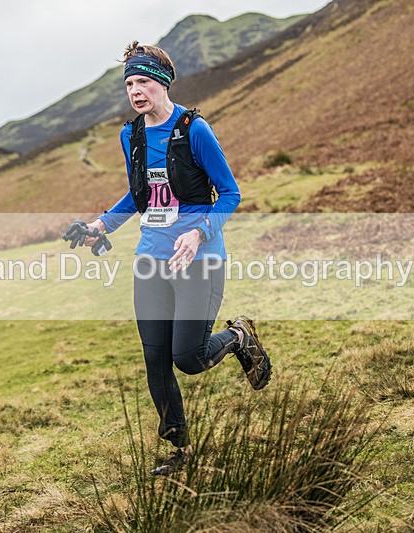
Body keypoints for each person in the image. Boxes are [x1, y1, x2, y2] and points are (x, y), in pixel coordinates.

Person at [83, 41, 272, 476]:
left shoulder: (193, 130)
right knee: (155, 361)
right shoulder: (129, 135)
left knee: (188, 358)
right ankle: (180, 452)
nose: (135, 91)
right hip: (151, 260)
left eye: (143, 81)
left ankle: (239, 337)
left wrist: (198, 231)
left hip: (199, 259)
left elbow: (230, 194)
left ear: (162, 83)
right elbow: (140, 194)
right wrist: (101, 226)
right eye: (129, 83)